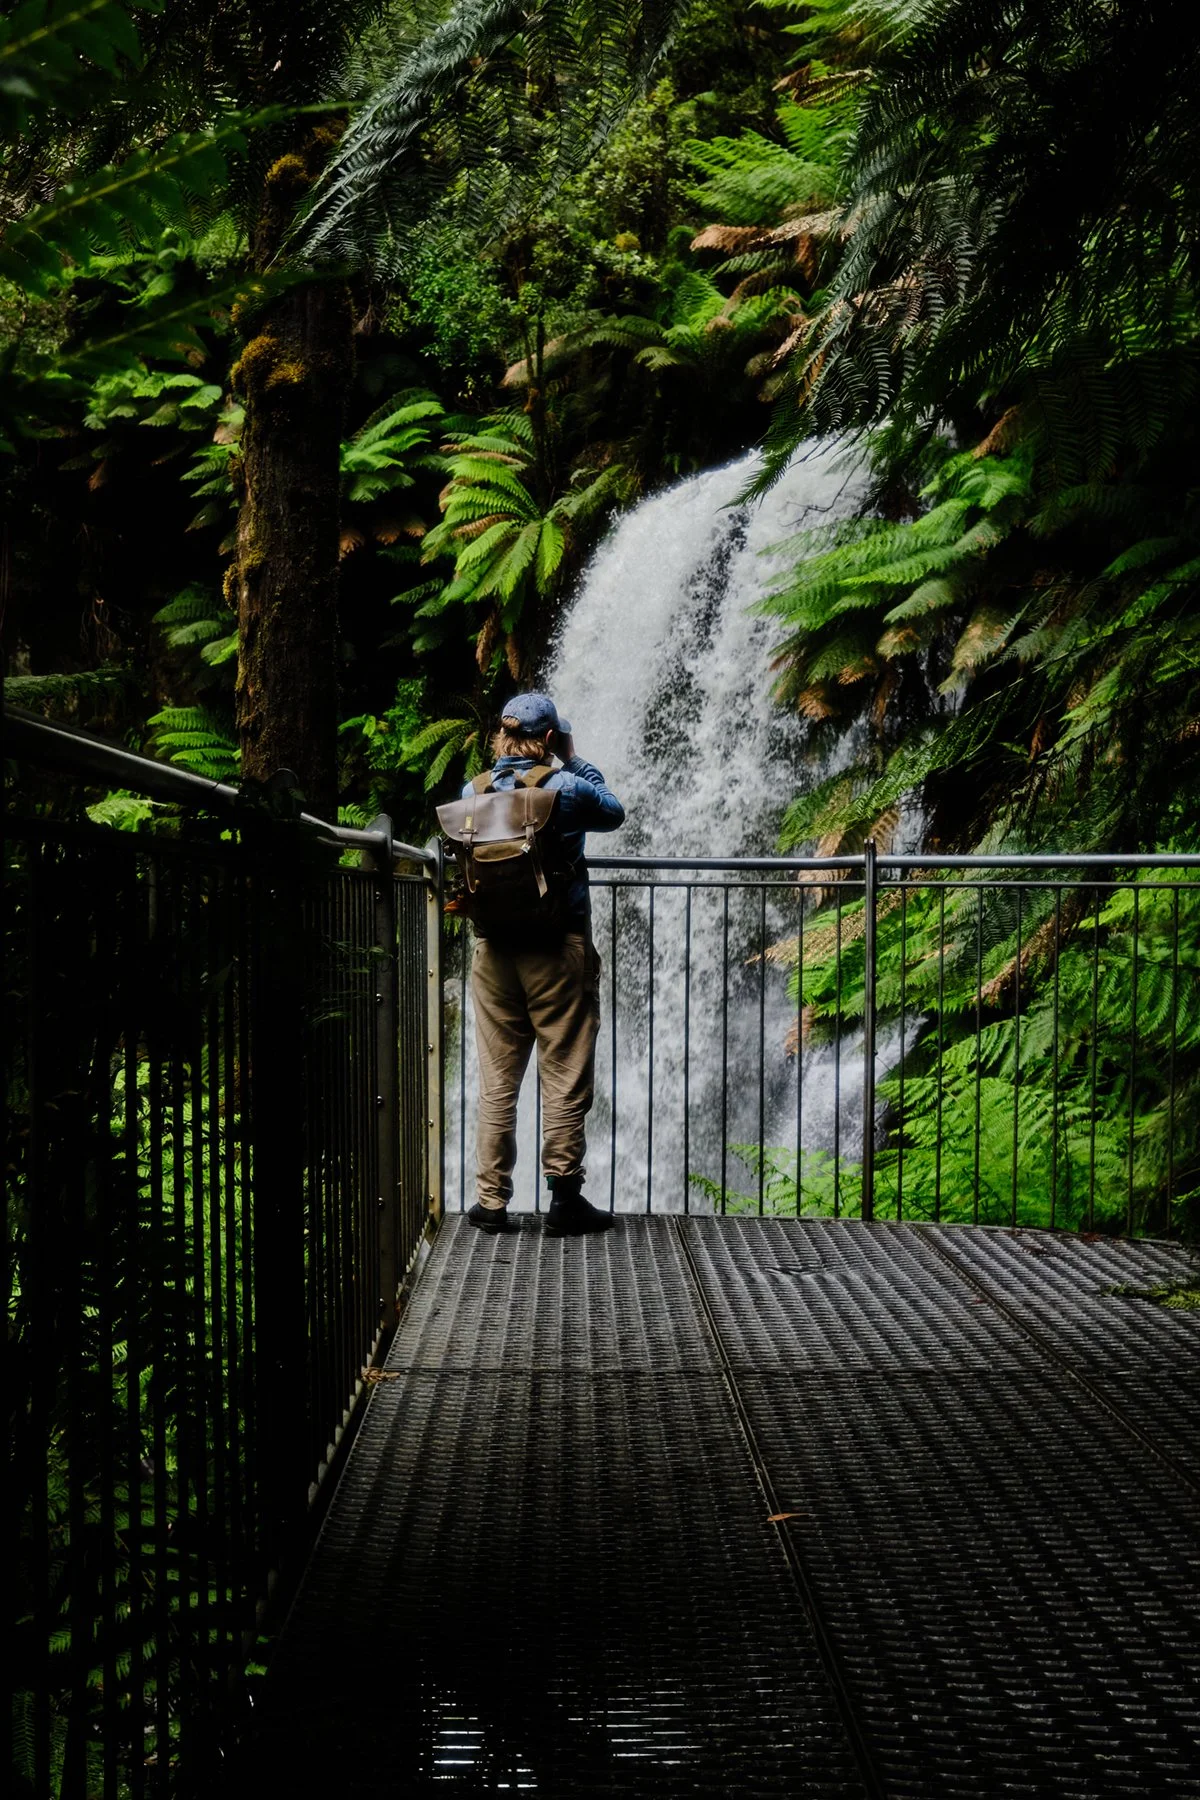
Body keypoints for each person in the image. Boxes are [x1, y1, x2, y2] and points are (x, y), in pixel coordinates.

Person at [463, 692, 625, 1236]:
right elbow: (614, 811)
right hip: (556, 949)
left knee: (498, 1078)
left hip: (493, 953)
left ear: (501, 737)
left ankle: (490, 1201)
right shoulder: (566, 788)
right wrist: (574, 757)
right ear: (550, 739)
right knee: (563, 1074)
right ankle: (563, 1200)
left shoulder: (473, 791)